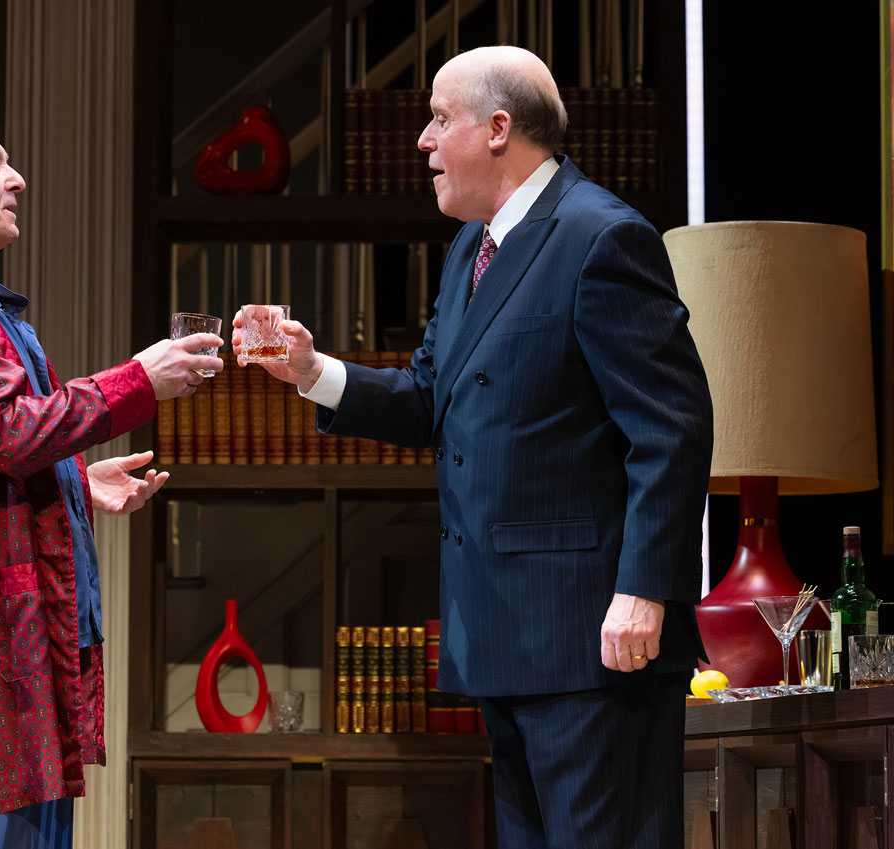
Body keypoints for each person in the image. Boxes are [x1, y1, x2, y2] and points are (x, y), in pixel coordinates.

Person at [235, 47, 712, 848]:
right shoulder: (470, 251)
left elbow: (671, 426)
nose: (423, 140)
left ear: (497, 129)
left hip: (594, 642)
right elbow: (430, 397)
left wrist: (645, 589)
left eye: (437, 118)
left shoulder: (601, 236)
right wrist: (313, 372)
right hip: (502, 636)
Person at [0, 105, 222, 849]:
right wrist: (138, 380)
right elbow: (5, 431)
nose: (17, 179)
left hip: (16, 636)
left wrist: (72, 486)